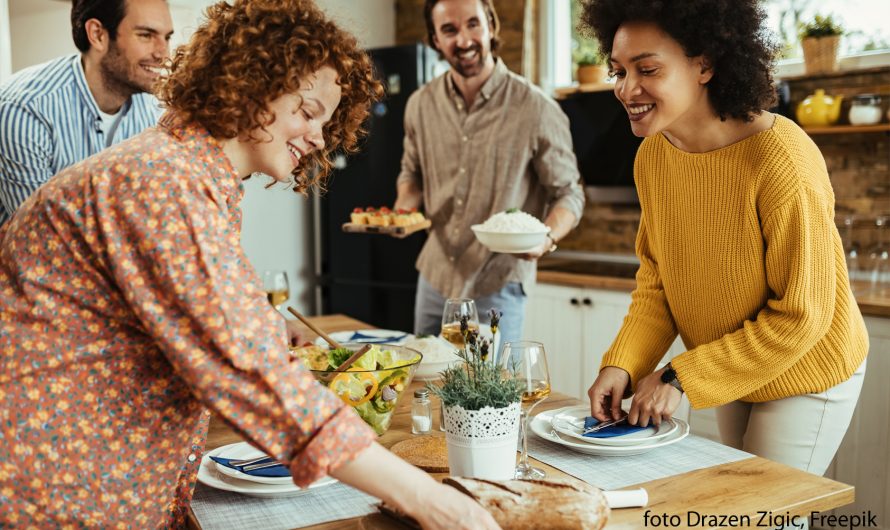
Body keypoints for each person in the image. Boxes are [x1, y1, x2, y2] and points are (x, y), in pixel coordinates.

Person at [0, 1, 499, 529]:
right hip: (54, 486)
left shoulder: (183, 171)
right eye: (307, 113)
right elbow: (255, 375)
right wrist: (432, 501)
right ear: (249, 85)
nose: (316, 137)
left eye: (326, 123)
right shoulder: (163, 182)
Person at [583, 0, 867, 482]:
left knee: (756, 513)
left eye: (646, 68)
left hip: (808, 370)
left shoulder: (781, 160)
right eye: (619, 70)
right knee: (732, 505)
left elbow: (803, 315)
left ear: (705, 64)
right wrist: (624, 365)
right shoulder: (653, 156)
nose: (627, 88)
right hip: (733, 364)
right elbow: (659, 284)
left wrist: (680, 376)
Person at [394, 0, 585, 344]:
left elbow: (569, 193)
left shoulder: (536, 107)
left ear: (491, 26)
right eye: (449, 30)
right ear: (435, 40)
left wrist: (547, 238)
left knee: (492, 395)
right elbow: (411, 175)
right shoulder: (419, 105)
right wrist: (402, 212)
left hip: (497, 282)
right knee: (425, 387)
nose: (464, 40)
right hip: (435, 278)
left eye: (473, 24)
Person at [0, 0, 173, 225]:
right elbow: (43, 232)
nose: (163, 53)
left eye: (167, 37)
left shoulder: (155, 113)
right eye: (146, 35)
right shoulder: (25, 108)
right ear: (98, 34)